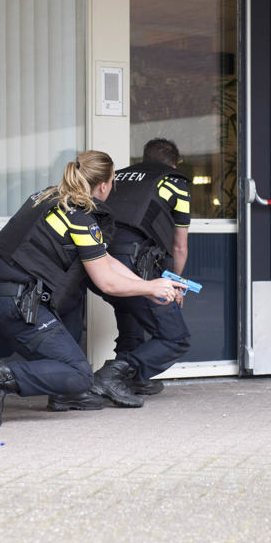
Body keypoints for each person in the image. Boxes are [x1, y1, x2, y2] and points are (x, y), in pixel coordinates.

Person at [0, 150, 185, 427]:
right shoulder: (80, 216)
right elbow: (107, 281)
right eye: (113, 181)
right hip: (15, 302)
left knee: (71, 300)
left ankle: (64, 395)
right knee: (80, 374)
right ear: (103, 185)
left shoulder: (47, 197)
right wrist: (150, 288)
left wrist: (146, 284)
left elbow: (108, 261)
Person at [89, 138, 192, 408]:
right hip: (135, 264)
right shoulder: (175, 182)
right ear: (173, 163)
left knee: (130, 313)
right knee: (175, 337)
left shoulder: (118, 176)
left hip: (98, 263)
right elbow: (179, 246)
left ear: (143, 158)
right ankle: (112, 376)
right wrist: (176, 284)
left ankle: (132, 380)